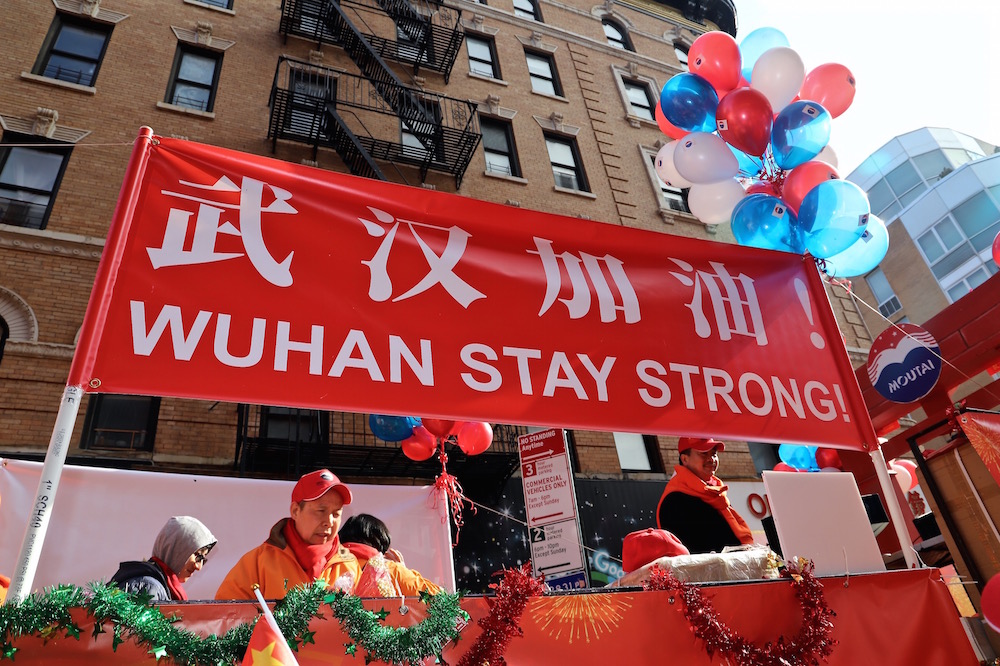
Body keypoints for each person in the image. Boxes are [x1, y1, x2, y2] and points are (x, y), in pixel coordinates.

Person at [215, 468, 362, 600]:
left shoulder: (349, 565)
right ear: (295, 511)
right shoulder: (257, 563)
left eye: (336, 514)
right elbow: (226, 617)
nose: (329, 522)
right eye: (321, 511)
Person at [656, 437, 755, 554]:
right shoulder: (674, 500)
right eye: (703, 454)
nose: (711, 459)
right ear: (684, 459)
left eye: (714, 454)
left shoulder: (715, 493)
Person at [110, 516, 217, 601]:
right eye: (198, 556)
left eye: (204, 559)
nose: (199, 567)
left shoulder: (156, 585)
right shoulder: (149, 587)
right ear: (177, 549)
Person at [338, 513, 441, 596]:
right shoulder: (390, 570)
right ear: (381, 545)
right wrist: (404, 572)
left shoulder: (328, 566)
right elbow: (440, 600)